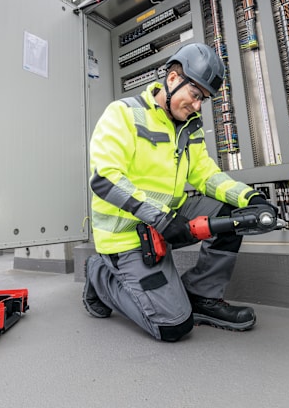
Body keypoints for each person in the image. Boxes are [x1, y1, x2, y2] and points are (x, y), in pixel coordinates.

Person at [83, 42, 277, 342]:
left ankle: (202, 295)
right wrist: (161, 220)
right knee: (172, 326)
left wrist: (249, 197)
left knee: (231, 212)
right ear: (172, 79)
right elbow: (105, 179)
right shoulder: (123, 114)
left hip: (165, 223)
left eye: (204, 100)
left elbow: (206, 175)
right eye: (195, 95)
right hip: (127, 235)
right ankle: (100, 274)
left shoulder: (189, 127)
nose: (198, 106)